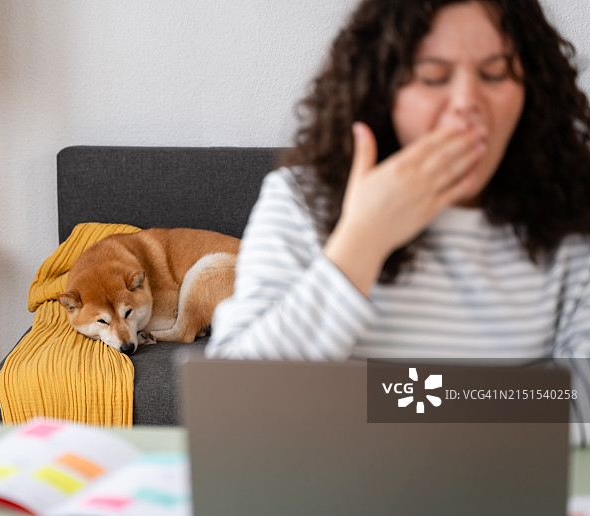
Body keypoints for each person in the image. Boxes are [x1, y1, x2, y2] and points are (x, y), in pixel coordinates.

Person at [205, 0, 590, 443]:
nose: (467, 103)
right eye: (433, 77)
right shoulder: (299, 201)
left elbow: (582, 403)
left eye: (495, 74)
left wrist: (384, 399)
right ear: (382, 90)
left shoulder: (572, 216)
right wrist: (362, 242)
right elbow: (235, 405)